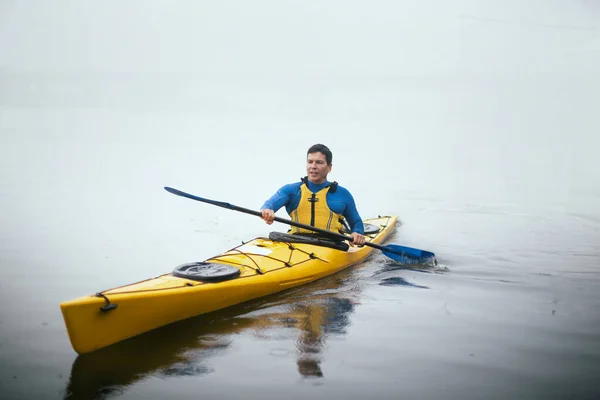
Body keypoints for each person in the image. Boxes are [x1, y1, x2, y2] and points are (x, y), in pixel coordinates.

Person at [260, 144, 366, 246]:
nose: (313, 166)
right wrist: (267, 211)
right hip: (297, 242)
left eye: (319, 162)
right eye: (310, 162)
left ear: (329, 167)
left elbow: (356, 221)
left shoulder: (343, 194)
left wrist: (357, 233)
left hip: (332, 245)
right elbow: (269, 205)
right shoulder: (291, 190)